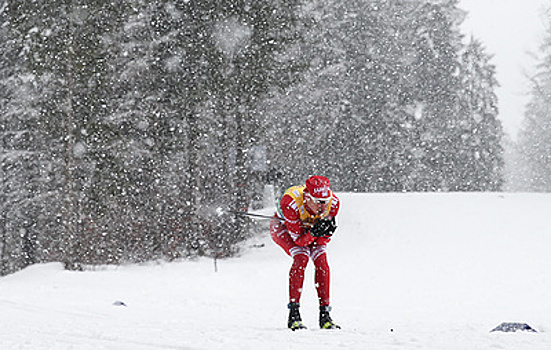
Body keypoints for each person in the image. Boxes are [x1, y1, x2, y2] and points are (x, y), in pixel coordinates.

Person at [270, 175, 340, 330]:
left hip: (307, 232)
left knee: (321, 262)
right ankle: (294, 314)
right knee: (301, 258)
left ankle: (325, 316)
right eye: (318, 202)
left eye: (325, 201)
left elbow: (321, 242)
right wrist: (314, 233)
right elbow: (299, 241)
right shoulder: (291, 203)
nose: (323, 207)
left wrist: (326, 233)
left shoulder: (334, 203)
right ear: (307, 198)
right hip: (284, 230)